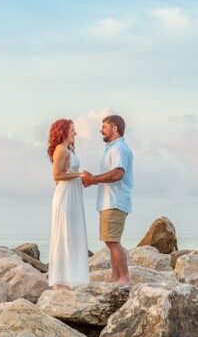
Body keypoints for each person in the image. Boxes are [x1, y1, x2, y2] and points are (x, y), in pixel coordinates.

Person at [81, 114, 134, 285]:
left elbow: (118, 173)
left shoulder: (119, 148)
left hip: (115, 200)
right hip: (108, 201)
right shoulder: (112, 147)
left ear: (115, 128)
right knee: (110, 241)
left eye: (104, 127)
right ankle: (115, 277)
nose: (101, 130)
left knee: (112, 241)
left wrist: (93, 179)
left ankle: (124, 278)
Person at [46, 119, 89, 290]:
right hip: (66, 196)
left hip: (71, 195)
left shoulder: (67, 150)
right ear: (63, 132)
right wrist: (79, 175)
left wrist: (78, 178)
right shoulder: (61, 150)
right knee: (65, 235)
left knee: (73, 234)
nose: (75, 133)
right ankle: (61, 280)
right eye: (72, 130)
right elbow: (57, 176)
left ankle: (71, 277)